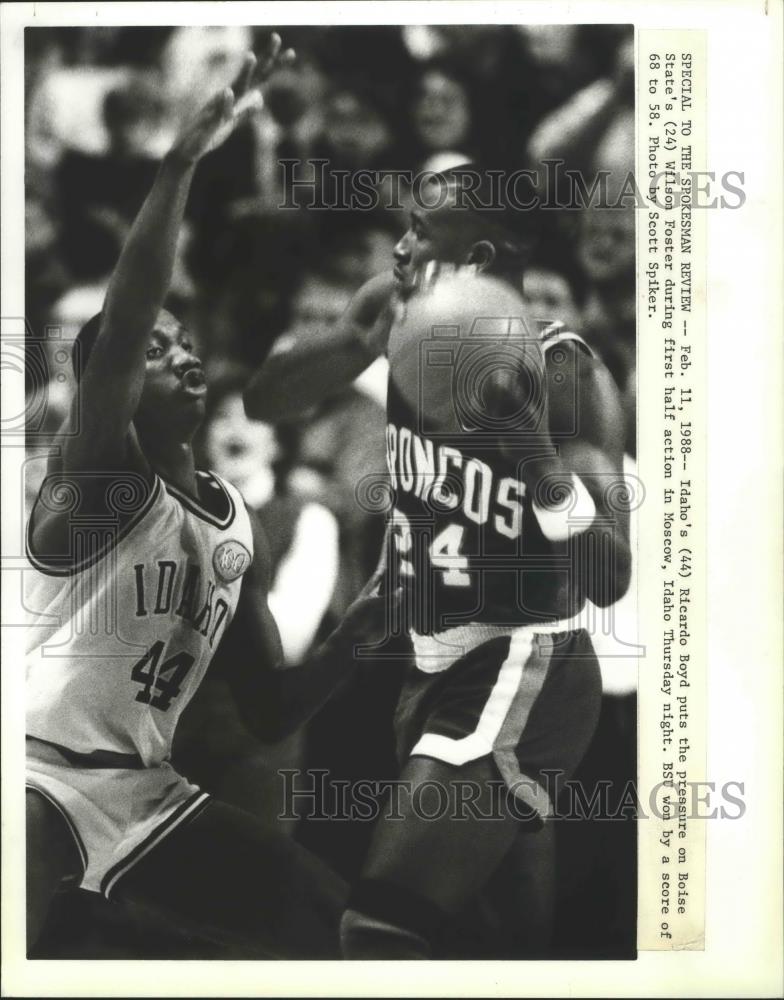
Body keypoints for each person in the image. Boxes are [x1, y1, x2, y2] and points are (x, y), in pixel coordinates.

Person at [25, 36, 391, 960]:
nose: (179, 353)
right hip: (32, 771)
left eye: (184, 342)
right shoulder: (98, 478)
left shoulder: (231, 523)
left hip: (146, 791)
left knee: (332, 923)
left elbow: (269, 710)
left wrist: (364, 624)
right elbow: (130, 311)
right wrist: (183, 163)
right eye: (153, 348)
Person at [244, 169, 632, 958]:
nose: (402, 243)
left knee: (379, 928)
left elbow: (608, 578)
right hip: (428, 662)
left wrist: (529, 451)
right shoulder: (400, 324)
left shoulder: (564, 374)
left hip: (520, 660)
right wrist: (352, 338)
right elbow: (264, 403)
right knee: (507, 946)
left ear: (473, 256)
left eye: (420, 230)